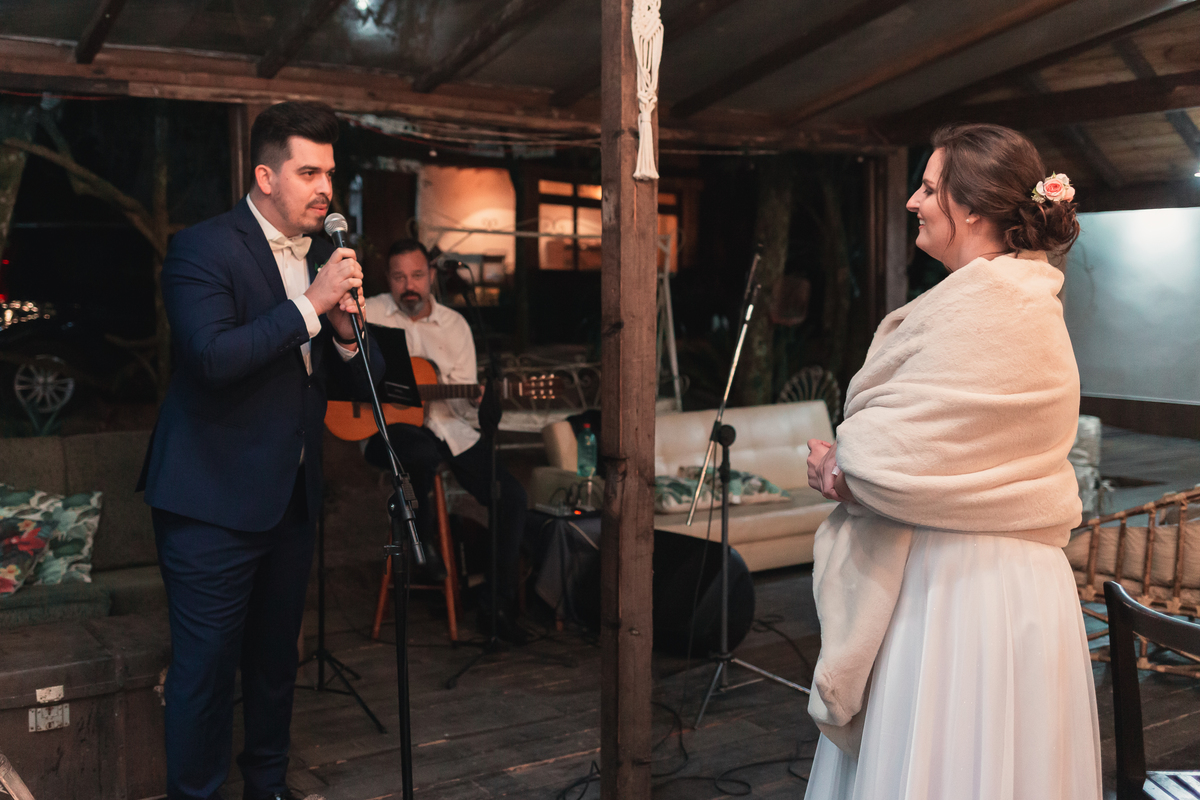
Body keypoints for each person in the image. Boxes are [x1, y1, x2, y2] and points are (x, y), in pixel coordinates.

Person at [803, 123, 1101, 799]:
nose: (914, 201)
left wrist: (839, 467)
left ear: (970, 208)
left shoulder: (994, 308)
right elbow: (935, 445)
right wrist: (856, 461)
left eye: (930, 187)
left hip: (965, 593)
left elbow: (897, 458)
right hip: (1002, 583)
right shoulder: (1010, 301)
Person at [137, 101, 383, 800]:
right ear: (265, 176)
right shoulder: (202, 248)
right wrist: (310, 304)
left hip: (289, 499)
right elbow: (212, 358)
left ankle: (268, 788)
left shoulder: (321, 259)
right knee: (206, 671)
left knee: (277, 664)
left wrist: (339, 329)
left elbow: (369, 380)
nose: (325, 188)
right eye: (309, 171)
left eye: (330, 172)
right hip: (209, 501)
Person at [361, 239, 529, 643]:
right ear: (389, 279)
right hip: (386, 430)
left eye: (417, 275)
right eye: (400, 277)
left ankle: (496, 606)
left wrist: (478, 402)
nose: (409, 286)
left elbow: (465, 410)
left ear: (432, 276)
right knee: (418, 452)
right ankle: (425, 541)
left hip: (449, 428)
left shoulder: (456, 326)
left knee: (511, 496)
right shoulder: (369, 312)